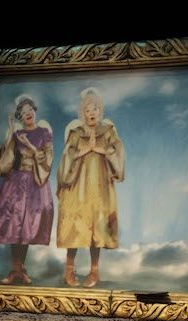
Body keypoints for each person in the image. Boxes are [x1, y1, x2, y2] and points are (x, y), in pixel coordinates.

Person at [0, 95, 54, 284]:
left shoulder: (44, 132)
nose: (28, 114)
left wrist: (30, 145)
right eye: (24, 112)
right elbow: (7, 162)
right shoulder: (17, 136)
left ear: (34, 111)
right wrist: (10, 132)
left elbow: (46, 159)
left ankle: (20, 270)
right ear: (20, 117)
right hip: (17, 183)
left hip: (35, 183)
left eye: (30, 110)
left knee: (27, 228)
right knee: (14, 225)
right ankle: (16, 270)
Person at [56, 87, 125, 288]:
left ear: (100, 111)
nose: (91, 113)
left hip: (100, 188)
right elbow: (66, 159)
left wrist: (102, 149)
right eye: (87, 110)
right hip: (78, 187)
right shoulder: (76, 134)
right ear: (82, 113)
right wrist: (84, 150)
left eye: (94, 109)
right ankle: (69, 270)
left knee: (98, 227)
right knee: (75, 226)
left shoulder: (108, 132)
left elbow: (118, 155)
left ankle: (94, 270)